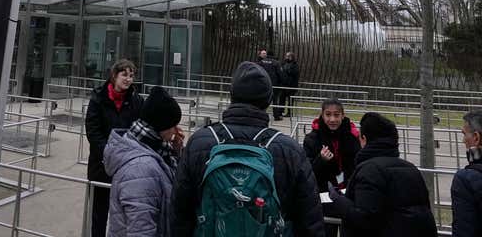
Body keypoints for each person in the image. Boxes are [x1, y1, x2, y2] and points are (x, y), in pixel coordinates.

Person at [170, 61, 325, 237]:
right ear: (268, 99)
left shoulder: (200, 142)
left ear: (231, 96)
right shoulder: (288, 149)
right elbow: (310, 219)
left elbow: (179, 212)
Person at [328, 112, 437, 237]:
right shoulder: (411, 169)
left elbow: (365, 218)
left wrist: (338, 200)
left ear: (364, 139)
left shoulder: (369, 171)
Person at [104, 86, 184, 237]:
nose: (176, 130)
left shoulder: (154, 148)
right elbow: (141, 229)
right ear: (161, 125)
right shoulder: (141, 169)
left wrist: (176, 151)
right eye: (172, 125)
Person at [85, 59, 143, 237]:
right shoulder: (98, 98)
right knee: (99, 213)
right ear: (114, 75)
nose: (128, 79)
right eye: (124, 74)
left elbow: (139, 129)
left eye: (131, 75)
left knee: (124, 214)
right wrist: (108, 154)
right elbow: (93, 131)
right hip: (101, 165)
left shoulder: (136, 101)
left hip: (125, 166)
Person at [303, 99, 360, 237]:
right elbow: (306, 171)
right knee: (327, 230)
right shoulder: (312, 139)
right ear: (322, 115)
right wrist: (321, 160)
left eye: (336, 115)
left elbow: (358, 164)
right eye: (328, 115)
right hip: (323, 195)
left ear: (343, 115)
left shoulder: (353, 137)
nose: (332, 119)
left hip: (349, 193)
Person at [451, 109, 482, 237]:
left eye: (464, 134)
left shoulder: (465, 179)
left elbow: (464, 230)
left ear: (476, 137)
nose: (463, 140)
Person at [256, 48, 284, 120]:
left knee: (263, 99)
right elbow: (280, 74)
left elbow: (257, 72)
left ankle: (261, 114)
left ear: (267, 54)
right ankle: (276, 116)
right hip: (274, 85)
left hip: (264, 83)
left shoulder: (261, 62)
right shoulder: (276, 62)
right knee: (275, 100)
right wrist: (281, 83)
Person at [279, 52, 299, 117]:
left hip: (291, 85)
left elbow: (295, 73)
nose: (287, 57)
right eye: (286, 56)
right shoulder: (283, 63)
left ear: (292, 57)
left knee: (290, 100)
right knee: (282, 98)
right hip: (284, 84)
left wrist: (287, 70)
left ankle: (289, 113)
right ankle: (280, 111)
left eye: (288, 56)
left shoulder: (295, 64)